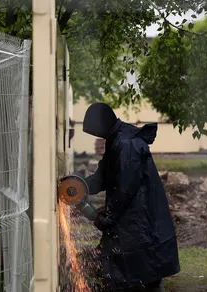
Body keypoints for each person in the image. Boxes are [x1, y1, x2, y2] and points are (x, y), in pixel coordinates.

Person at [81, 102, 180, 291]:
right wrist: (81, 186)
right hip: (134, 223)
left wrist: (109, 217)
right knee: (131, 273)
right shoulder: (117, 139)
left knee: (142, 276)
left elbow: (125, 187)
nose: (97, 137)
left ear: (102, 124)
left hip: (141, 224)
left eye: (95, 131)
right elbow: (104, 176)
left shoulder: (126, 144)